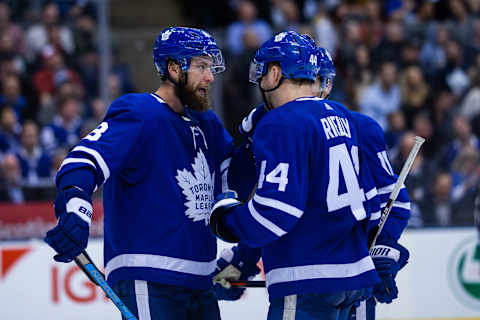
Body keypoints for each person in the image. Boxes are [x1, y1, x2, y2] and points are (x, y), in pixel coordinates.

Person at [43, 26, 260, 320]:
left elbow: (229, 182)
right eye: (201, 66)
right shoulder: (141, 112)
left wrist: (251, 142)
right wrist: (76, 207)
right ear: (173, 68)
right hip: (149, 275)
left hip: (200, 282)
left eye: (210, 67)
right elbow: (82, 161)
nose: (210, 76)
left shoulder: (207, 123)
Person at [209, 31, 380, 319]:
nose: (260, 83)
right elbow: (370, 204)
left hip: (307, 279)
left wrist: (227, 221)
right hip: (357, 280)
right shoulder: (341, 115)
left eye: (262, 74)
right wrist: (244, 260)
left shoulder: (280, 122)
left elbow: (276, 211)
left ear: (275, 73)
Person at [314, 46, 411, 320]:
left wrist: (382, 247)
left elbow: (396, 199)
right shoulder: (284, 128)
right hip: (309, 274)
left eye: (313, 80)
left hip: (354, 275)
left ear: (327, 84)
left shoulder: (361, 127)